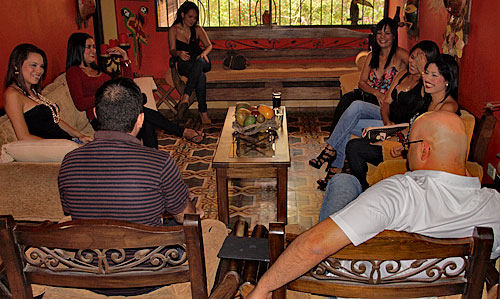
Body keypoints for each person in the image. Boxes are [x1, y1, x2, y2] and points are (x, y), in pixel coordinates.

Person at [247, 111, 500, 299]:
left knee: (344, 183)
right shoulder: (494, 207)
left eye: (408, 144)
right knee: (348, 184)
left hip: (351, 287)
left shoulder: (398, 193)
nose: (404, 150)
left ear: (424, 150)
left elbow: (314, 248)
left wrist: (264, 287)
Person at [58, 77, 201, 226]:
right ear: (140, 120)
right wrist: (184, 199)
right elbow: (183, 217)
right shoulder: (160, 163)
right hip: (145, 248)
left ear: (95, 113)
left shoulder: (69, 161)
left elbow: (70, 211)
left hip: (90, 248)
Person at [65, 32, 204, 148]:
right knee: (143, 114)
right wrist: (106, 96)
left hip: (118, 110)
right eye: (88, 47)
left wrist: (125, 57)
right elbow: (80, 103)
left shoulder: (98, 69)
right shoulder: (74, 72)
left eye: (94, 47)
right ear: (77, 49)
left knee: (146, 122)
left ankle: (152, 162)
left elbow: (127, 83)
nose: (93, 51)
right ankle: (182, 132)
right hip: (102, 118)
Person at [346, 53, 460, 188]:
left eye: (434, 75)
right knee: (361, 142)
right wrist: (391, 139)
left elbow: (431, 140)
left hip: (418, 157)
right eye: (426, 73)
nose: (427, 79)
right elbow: (411, 129)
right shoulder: (427, 100)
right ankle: (365, 188)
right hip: (406, 146)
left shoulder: (448, 107)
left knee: (355, 148)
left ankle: (365, 190)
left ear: (447, 80)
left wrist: (403, 147)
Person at [330, 17, 408, 131]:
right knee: (346, 99)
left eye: (387, 33)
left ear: (394, 36)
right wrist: (376, 93)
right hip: (370, 96)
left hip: (387, 103)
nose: (382, 37)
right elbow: (362, 82)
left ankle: (333, 143)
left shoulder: (400, 55)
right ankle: (332, 139)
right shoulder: (372, 55)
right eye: (379, 33)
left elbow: (415, 68)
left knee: (352, 108)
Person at [3, 43, 92, 143]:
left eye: (41, 66)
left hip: (68, 142)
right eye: (33, 65)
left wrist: (80, 135)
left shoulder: (32, 91)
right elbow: (24, 137)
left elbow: (55, 120)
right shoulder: (12, 95)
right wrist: (62, 146)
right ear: (16, 66)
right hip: (54, 149)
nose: (39, 70)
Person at [168, 1, 212, 124]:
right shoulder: (174, 30)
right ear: (182, 15)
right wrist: (179, 53)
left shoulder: (198, 29)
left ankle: (186, 96)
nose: (193, 20)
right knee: (201, 76)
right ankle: (203, 113)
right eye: (190, 16)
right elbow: (172, 50)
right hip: (185, 64)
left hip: (201, 61)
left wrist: (203, 54)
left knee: (200, 62)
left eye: (195, 17)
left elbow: (209, 45)